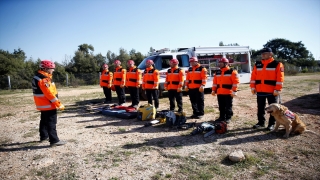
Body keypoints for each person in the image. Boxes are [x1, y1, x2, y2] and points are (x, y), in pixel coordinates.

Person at [31, 60, 66, 146]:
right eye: (52, 68)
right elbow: (49, 94)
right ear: (46, 68)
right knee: (51, 122)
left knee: (44, 120)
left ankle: (44, 136)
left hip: (42, 104)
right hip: (48, 104)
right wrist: (59, 104)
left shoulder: (38, 77)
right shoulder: (44, 79)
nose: (53, 70)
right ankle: (54, 140)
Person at [250, 47, 284, 130]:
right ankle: (261, 122)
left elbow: (280, 78)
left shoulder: (277, 64)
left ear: (270, 54)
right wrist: (252, 87)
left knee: (273, 109)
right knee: (260, 108)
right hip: (260, 90)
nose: (263, 55)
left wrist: (278, 89)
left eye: (265, 53)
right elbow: (253, 76)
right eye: (262, 53)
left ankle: (271, 124)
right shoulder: (257, 64)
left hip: (272, 91)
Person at [211, 58, 239, 124]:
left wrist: (234, 91)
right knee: (221, 106)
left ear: (226, 63)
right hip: (220, 92)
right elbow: (215, 82)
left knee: (228, 106)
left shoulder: (232, 72)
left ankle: (228, 117)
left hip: (228, 93)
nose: (219, 64)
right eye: (219, 63)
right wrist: (213, 90)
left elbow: (235, 82)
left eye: (221, 63)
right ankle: (222, 117)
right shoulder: (217, 72)